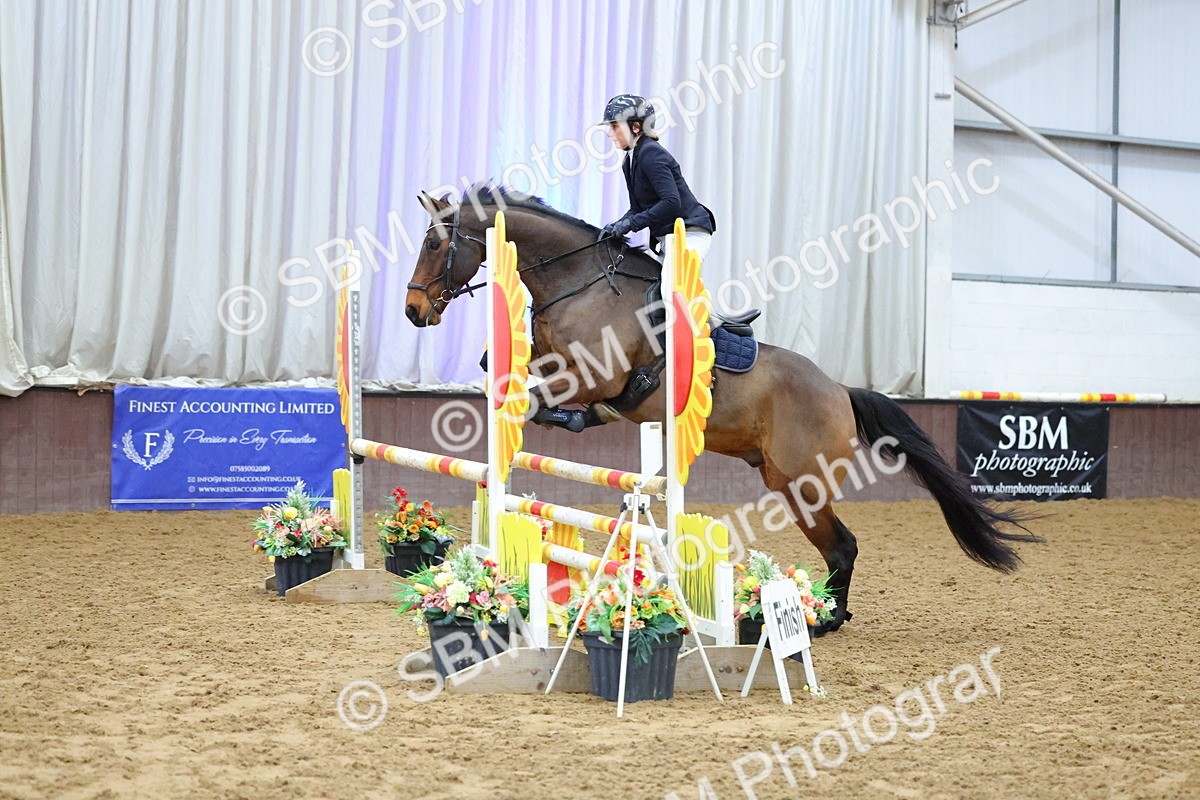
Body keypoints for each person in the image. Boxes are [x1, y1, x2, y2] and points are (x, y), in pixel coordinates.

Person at [598, 94, 716, 265]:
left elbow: (671, 202)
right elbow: (637, 208)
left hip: (688, 234)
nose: (610, 133)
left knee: (673, 290)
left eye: (615, 126)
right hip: (668, 239)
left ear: (636, 127)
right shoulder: (629, 161)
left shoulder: (651, 153)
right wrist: (618, 225)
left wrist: (631, 224)